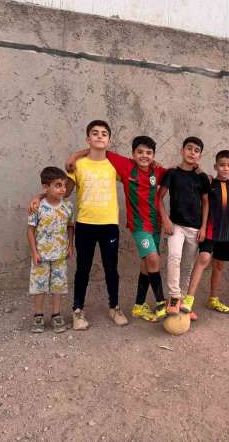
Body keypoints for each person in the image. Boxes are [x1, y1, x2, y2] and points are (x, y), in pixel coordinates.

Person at [29, 120, 128, 329]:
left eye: (104, 134)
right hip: (84, 224)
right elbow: (61, 191)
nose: (100, 136)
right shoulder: (78, 166)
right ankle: (78, 311)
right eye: (95, 133)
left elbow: (138, 173)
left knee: (111, 268)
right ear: (88, 139)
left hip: (109, 223)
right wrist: (39, 196)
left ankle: (115, 307)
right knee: (83, 268)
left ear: (109, 140)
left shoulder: (114, 165)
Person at [65, 136, 168, 322]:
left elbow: (175, 176)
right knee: (153, 259)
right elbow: (98, 149)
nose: (144, 156)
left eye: (149, 153)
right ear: (132, 154)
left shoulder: (157, 171)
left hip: (155, 225)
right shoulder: (125, 165)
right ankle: (161, 302)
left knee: (146, 264)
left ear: (153, 155)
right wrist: (74, 155)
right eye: (140, 152)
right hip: (138, 225)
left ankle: (138, 306)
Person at [158, 137, 210, 317]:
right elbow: (159, 197)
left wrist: (203, 227)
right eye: (189, 148)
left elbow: (205, 203)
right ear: (182, 150)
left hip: (195, 229)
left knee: (187, 266)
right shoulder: (172, 173)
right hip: (176, 226)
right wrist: (165, 219)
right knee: (173, 257)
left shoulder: (201, 177)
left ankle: (183, 303)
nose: (192, 152)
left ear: (200, 155)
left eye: (196, 150)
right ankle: (173, 297)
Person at [184, 150, 229, 314]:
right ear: (215, 166)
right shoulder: (209, 181)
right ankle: (188, 301)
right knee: (203, 258)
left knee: (219, 265)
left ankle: (213, 299)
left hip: (225, 234)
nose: (225, 169)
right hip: (210, 231)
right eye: (222, 165)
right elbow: (194, 169)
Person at [27, 167, 74, 333]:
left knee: (58, 286)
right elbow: (30, 230)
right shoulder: (37, 207)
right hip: (41, 255)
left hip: (60, 255)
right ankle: (38, 316)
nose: (63, 189)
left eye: (64, 185)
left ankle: (56, 315)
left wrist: (70, 245)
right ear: (46, 187)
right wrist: (34, 252)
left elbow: (70, 227)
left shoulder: (67, 207)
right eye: (58, 185)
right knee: (39, 286)